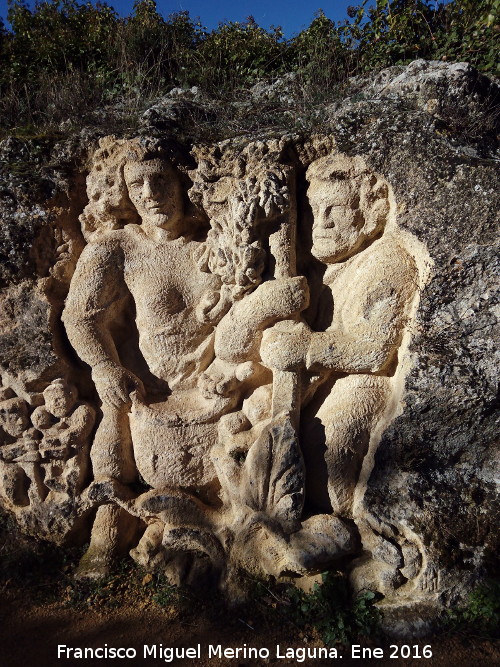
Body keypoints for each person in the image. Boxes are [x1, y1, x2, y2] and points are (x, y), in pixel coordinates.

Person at [261, 154, 420, 516]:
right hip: (324, 375)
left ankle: (356, 523)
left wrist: (304, 348)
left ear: (368, 214)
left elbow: (375, 351)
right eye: (317, 210)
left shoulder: (387, 261)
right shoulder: (334, 267)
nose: (323, 222)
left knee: (327, 463)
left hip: (362, 383)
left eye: (337, 209)